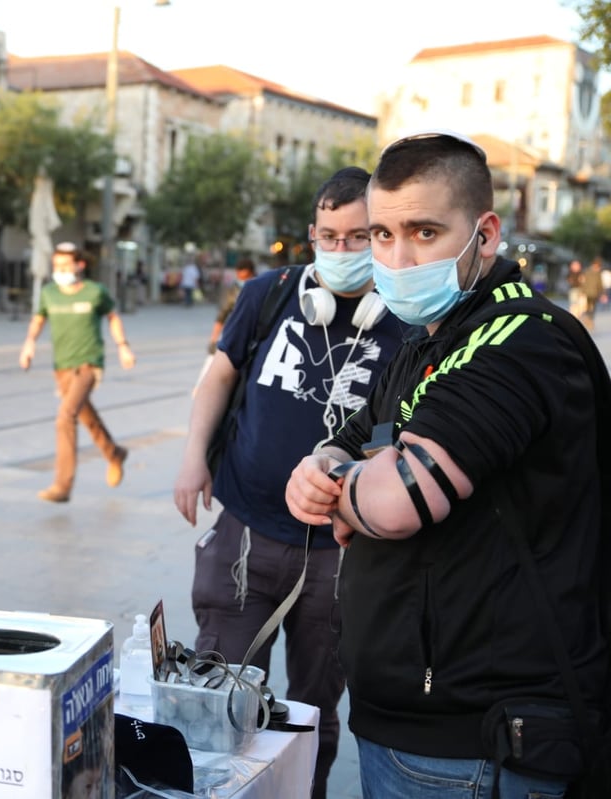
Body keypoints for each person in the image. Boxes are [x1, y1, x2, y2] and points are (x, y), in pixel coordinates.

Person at [286, 130, 609, 798]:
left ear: (484, 235)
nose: (397, 258)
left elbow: (401, 497)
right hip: (407, 725)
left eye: (425, 232)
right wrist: (322, 470)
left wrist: (348, 493)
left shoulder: (521, 342)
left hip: (479, 744)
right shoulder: (420, 344)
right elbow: (348, 439)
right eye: (381, 234)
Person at [173, 166, 405, 799]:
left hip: (340, 553)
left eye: (360, 237)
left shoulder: (408, 321)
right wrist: (195, 455)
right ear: (311, 234)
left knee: (313, 713)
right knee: (216, 698)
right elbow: (220, 376)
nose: (342, 250)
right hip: (245, 536)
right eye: (329, 236)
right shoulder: (268, 293)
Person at [19, 242, 134, 502]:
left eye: (64, 265)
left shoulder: (96, 292)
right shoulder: (49, 293)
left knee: (65, 417)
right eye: (56, 265)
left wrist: (123, 347)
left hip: (89, 364)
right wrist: (29, 344)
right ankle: (114, 454)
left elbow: (113, 317)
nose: (59, 270)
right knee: (85, 416)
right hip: (62, 367)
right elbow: (39, 319)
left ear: (79, 265)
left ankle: (62, 485)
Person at [208, 257, 257, 352]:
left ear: (252, 273)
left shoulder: (263, 289)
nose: (242, 280)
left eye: (245, 277)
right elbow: (222, 316)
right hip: (237, 335)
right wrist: (213, 340)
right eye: (240, 277)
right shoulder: (232, 291)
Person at [582, 258, 604, 330]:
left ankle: (590, 319)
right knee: (588, 306)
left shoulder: (597, 273)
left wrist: (602, 293)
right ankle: (588, 319)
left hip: (594, 293)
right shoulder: (588, 272)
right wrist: (582, 291)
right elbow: (584, 282)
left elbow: (600, 283)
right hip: (589, 292)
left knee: (593, 307)